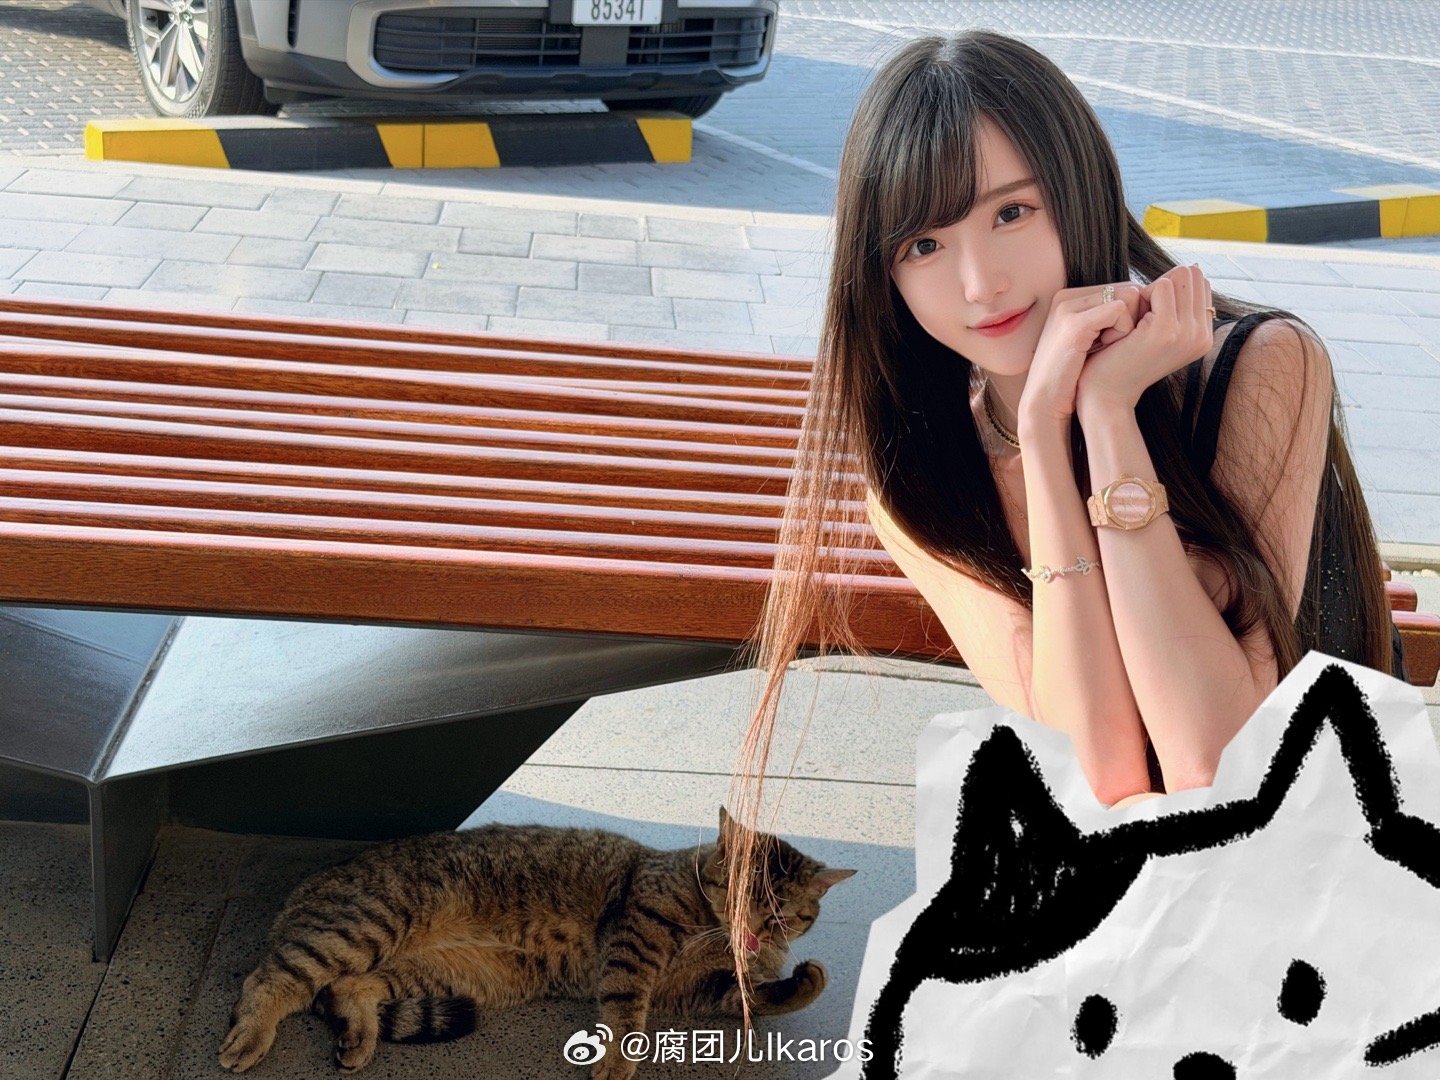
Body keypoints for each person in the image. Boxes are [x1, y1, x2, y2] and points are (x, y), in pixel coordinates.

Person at [721, 29, 1407, 1023]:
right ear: (884, 274)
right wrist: (1046, 435)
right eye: (923, 245)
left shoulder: (1261, 366)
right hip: (1130, 919)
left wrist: (1109, 417)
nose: (980, 283)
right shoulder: (919, 483)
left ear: (1079, 193)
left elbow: (1221, 767)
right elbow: (1105, 773)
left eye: (1011, 212)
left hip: (1330, 878)